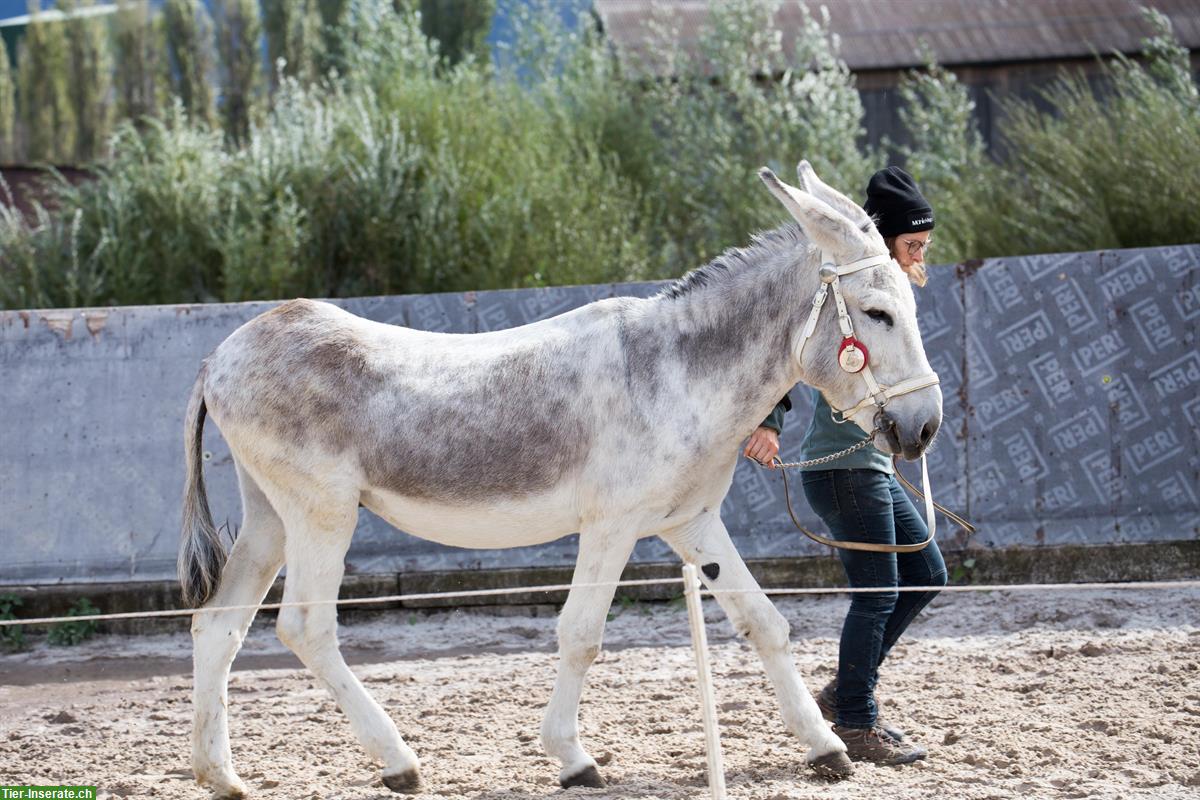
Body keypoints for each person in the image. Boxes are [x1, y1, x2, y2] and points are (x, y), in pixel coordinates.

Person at [742, 166, 946, 765]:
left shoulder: (888, 289)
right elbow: (795, 350)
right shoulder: (846, 289)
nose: (921, 253)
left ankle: (846, 694)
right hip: (842, 469)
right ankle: (857, 722)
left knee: (927, 573)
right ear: (883, 238)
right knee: (878, 593)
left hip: (872, 468)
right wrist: (770, 421)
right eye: (913, 243)